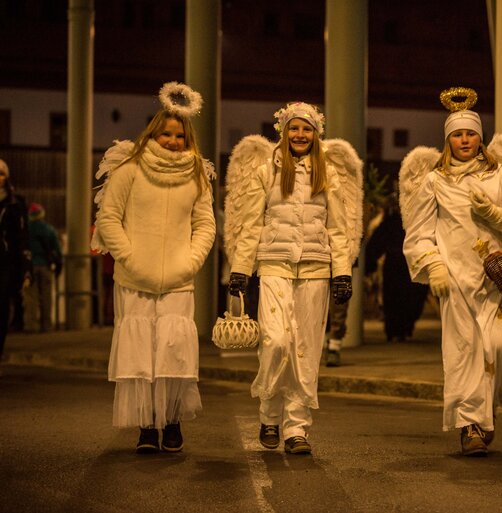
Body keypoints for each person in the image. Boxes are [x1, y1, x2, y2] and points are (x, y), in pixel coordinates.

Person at [400, 87, 502, 456]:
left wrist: (495, 214)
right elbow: (418, 234)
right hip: (456, 280)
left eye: (470, 133)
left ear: (480, 137)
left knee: (497, 348)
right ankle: (470, 426)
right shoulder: (435, 180)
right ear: (448, 140)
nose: (464, 140)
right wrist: (434, 266)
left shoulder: (501, 175)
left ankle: (486, 412)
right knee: (463, 352)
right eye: (457, 134)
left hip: (496, 279)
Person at [226, 102, 362, 455]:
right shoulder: (265, 171)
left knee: (306, 351)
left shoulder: (327, 173)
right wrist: (241, 268)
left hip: (316, 271)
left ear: (316, 135)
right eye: (294, 129)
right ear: (283, 132)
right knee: (275, 342)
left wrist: (342, 272)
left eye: (307, 129)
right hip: (273, 266)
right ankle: (269, 415)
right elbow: (251, 222)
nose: (300, 135)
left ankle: (296, 428)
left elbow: (339, 228)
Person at [91, 82, 216, 454]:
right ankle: (147, 427)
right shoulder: (129, 169)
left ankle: (172, 421)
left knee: (173, 351)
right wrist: (130, 257)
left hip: (179, 280)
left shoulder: (196, 174)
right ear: (153, 133)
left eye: (179, 135)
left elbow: (206, 224)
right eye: (166, 133)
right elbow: (108, 219)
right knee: (142, 352)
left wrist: (190, 261)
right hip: (134, 279)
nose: (173, 141)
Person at [365, 193, 428, 342]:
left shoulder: (390, 222)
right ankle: (403, 328)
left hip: (395, 264)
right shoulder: (414, 223)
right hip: (407, 264)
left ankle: (395, 330)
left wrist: (370, 264)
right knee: (407, 298)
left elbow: (376, 243)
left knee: (393, 298)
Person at [0, 158, 32, 365]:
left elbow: (22, 237)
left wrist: (26, 271)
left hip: (5, 264)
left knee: (2, 310)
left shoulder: (15, 202)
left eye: (1, 173)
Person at [24, 202, 62, 333]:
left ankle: (31, 326)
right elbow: (57, 249)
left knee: (31, 298)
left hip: (29, 268)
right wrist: (58, 265)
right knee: (46, 297)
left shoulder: (26, 229)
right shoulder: (49, 229)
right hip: (45, 266)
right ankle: (47, 326)